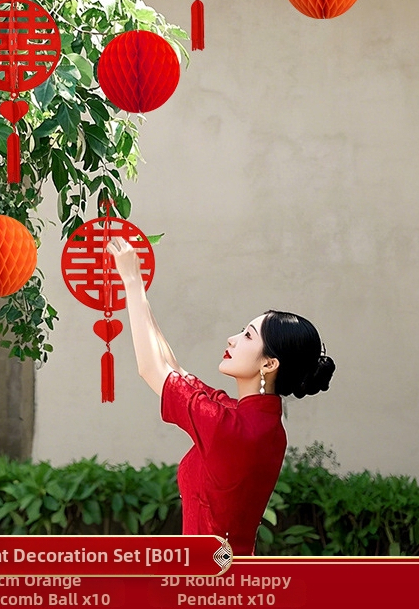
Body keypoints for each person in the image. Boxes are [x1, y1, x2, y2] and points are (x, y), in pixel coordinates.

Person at [107, 237, 336, 556]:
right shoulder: (260, 424)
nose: (232, 338)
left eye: (247, 336)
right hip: (232, 574)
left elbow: (151, 369)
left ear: (269, 363)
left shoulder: (229, 427)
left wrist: (131, 282)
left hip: (209, 582)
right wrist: (140, 292)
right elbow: (173, 368)